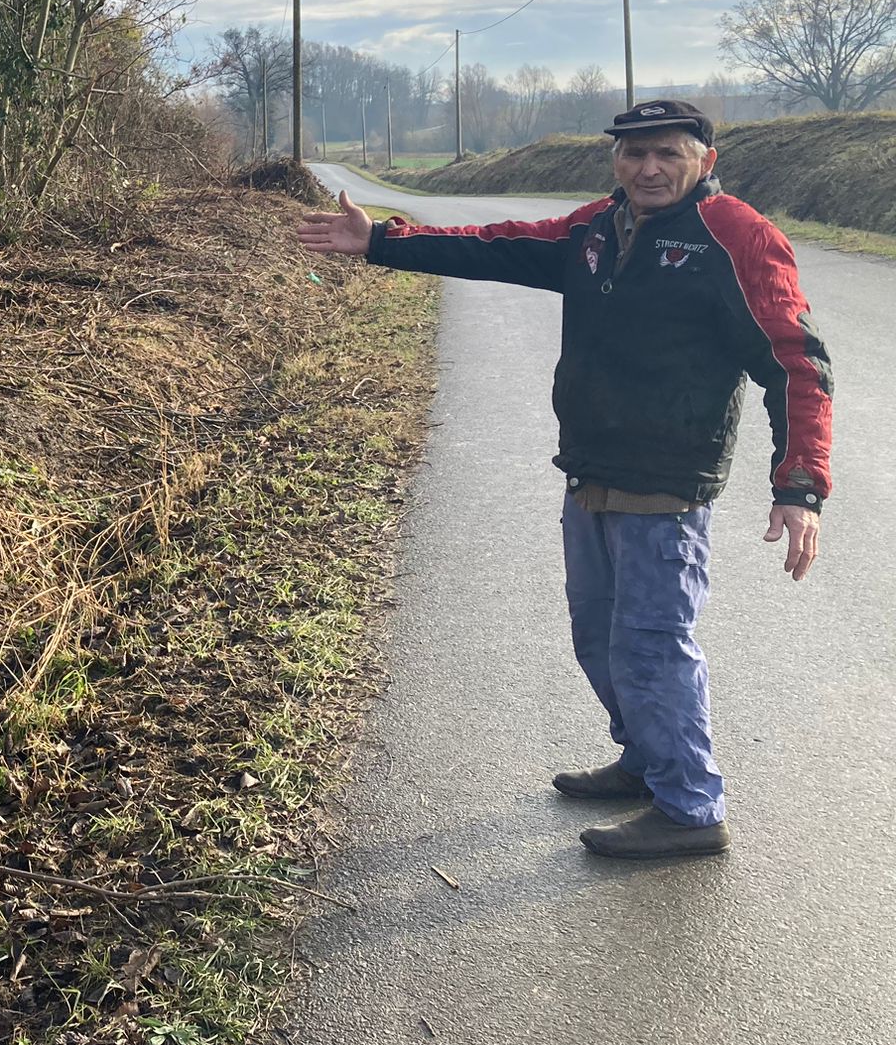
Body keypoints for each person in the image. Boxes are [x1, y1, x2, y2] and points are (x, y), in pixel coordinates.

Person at [297, 100, 834, 859]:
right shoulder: (595, 228)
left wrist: (800, 483)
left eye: (667, 154)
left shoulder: (738, 237)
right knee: (597, 635)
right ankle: (648, 760)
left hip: (667, 482)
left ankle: (690, 808)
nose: (648, 168)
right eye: (632, 154)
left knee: (651, 645)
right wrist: (382, 240)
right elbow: (497, 245)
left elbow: (796, 361)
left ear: (705, 161)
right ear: (615, 162)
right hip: (589, 469)